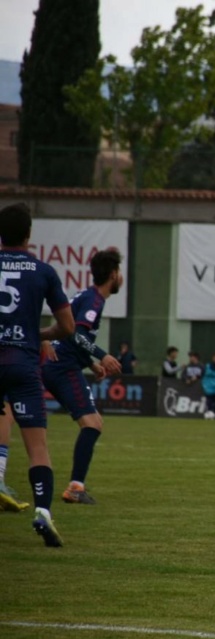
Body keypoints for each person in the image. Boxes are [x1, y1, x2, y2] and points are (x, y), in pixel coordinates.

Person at [0, 202, 76, 546]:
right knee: (38, 448)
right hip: (22, 366)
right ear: (29, 235)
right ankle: (43, 512)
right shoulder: (43, 271)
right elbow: (68, 327)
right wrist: (38, 335)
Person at [41, 248, 124, 505]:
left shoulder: (88, 296)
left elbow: (71, 336)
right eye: (119, 272)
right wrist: (103, 355)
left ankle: (76, 486)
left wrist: (90, 362)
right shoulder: (94, 301)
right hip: (62, 367)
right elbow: (76, 334)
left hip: (63, 363)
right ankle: (75, 488)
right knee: (92, 424)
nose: (121, 277)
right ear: (112, 274)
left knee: (94, 422)